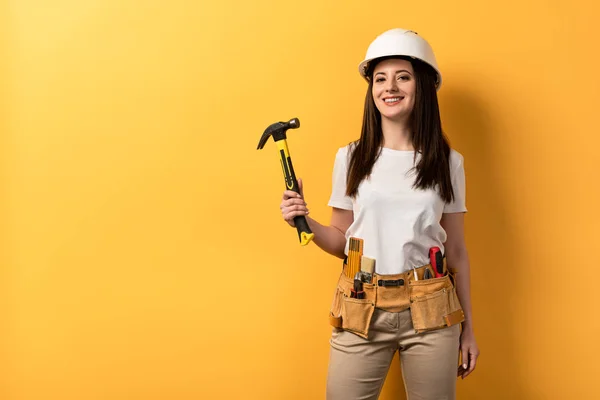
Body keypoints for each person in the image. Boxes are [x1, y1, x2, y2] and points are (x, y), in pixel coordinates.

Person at [279, 28, 479, 400]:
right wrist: (303, 220)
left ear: (422, 87)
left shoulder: (448, 163)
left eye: (403, 77)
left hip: (433, 306)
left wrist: (468, 329)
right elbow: (342, 241)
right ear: (371, 90)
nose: (390, 87)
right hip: (360, 302)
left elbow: (458, 254)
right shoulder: (351, 158)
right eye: (380, 79)